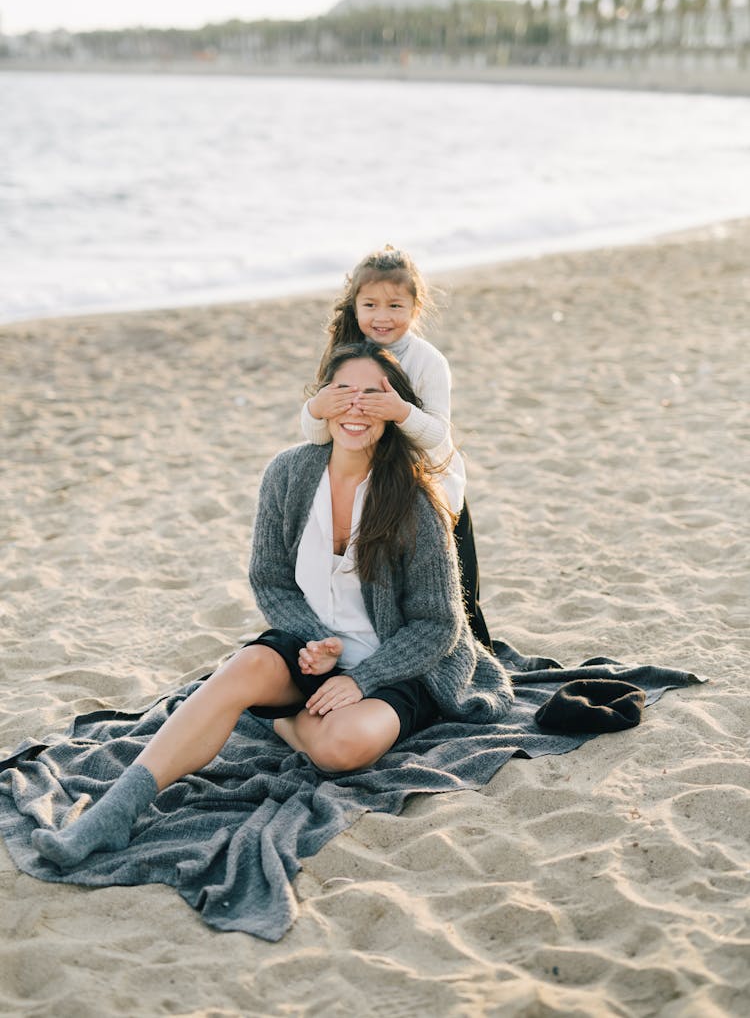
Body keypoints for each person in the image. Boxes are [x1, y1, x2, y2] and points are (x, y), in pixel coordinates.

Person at [31, 342, 514, 872]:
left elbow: (439, 624)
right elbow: (270, 582)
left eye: (373, 395)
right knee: (245, 665)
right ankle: (113, 812)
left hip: (398, 665)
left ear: (394, 411)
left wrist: (361, 679)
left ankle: (273, 719)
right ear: (320, 402)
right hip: (311, 653)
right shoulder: (288, 474)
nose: (355, 407)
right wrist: (316, 642)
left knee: (341, 747)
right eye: (342, 392)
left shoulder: (414, 501)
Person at [301, 245, 492, 647]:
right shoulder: (345, 354)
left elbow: (439, 437)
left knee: (454, 592)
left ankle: (466, 652)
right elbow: (319, 436)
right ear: (354, 306)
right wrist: (317, 408)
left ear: (415, 307)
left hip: (426, 482)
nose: (382, 316)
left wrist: (400, 412)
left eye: (395, 305)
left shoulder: (427, 362)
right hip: (368, 484)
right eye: (370, 304)